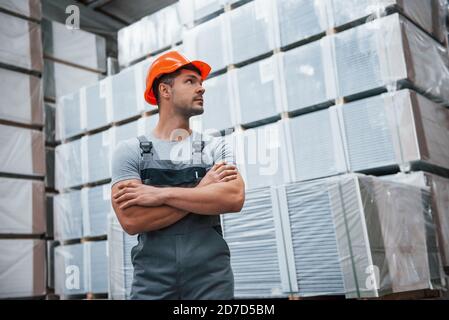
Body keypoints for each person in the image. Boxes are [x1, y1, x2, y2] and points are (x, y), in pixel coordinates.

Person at [110, 51, 245, 300]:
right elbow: (132, 220)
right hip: (152, 282)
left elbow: (233, 198)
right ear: (165, 90)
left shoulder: (215, 146)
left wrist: (160, 194)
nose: (201, 88)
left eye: (201, 83)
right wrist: (202, 190)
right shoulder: (130, 151)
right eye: (191, 81)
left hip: (211, 280)